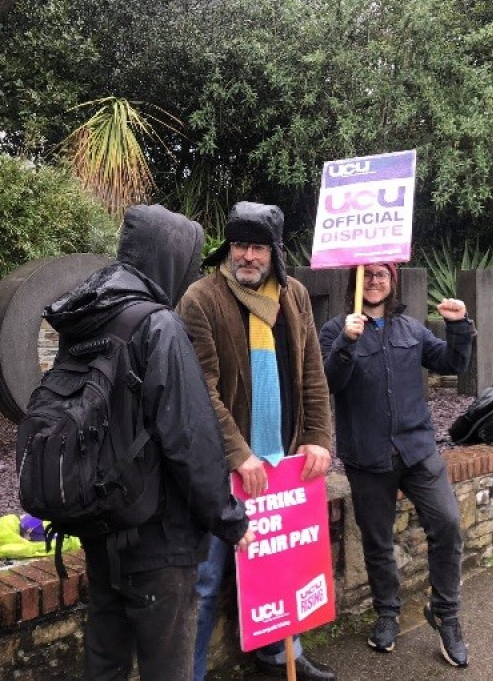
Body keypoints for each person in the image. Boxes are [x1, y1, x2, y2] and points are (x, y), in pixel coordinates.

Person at [42, 204, 251, 681]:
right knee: (167, 669)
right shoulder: (160, 326)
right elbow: (191, 439)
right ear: (170, 259)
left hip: (102, 524)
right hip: (158, 536)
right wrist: (229, 519)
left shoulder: (91, 316)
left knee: (106, 664)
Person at [177, 201, 337, 681]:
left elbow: (312, 372)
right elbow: (200, 390)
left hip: (284, 462)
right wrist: (237, 452)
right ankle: (191, 672)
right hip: (224, 470)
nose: (247, 256)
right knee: (205, 582)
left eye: (258, 247)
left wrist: (317, 436)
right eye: (240, 245)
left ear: (275, 252)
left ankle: (280, 655)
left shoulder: (296, 297)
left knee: (279, 566)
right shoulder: (200, 299)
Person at [319, 262, 474, 667]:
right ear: (356, 281)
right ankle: (387, 612)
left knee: (447, 524)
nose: (374, 280)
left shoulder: (411, 329)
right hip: (368, 456)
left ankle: (445, 612)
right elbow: (327, 383)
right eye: (367, 274)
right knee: (377, 541)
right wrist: (347, 344)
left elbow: (451, 364)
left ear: (392, 281)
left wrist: (458, 326)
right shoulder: (336, 330)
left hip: (418, 450)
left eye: (381, 274)